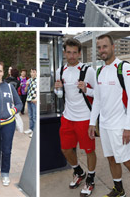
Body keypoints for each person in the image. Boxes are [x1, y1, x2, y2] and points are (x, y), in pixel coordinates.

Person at [89, 34, 130, 197]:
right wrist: (92, 122)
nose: (102, 50)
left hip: (121, 126)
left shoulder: (125, 68)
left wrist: (128, 127)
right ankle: (119, 189)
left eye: (105, 46)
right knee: (111, 159)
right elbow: (98, 99)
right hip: (105, 126)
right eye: (99, 47)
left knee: (129, 161)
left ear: (113, 47)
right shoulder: (99, 71)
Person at [54, 38, 97, 196]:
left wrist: (87, 90)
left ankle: (90, 178)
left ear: (79, 53)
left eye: (75, 53)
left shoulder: (88, 71)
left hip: (85, 117)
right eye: (68, 52)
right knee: (65, 149)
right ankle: (79, 172)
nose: (71, 56)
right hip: (67, 117)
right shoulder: (60, 71)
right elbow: (59, 95)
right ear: (64, 52)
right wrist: (57, 89)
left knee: (89, 150)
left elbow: (99, 93)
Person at [24, 68, 37, 138]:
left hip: (34, 101)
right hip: (29, 99)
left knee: (35, 116)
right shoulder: (29, 80)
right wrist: (26, 85)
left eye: (34, 72)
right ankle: (31, 128)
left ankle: (35, 131)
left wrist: (36, 99)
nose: (32, 73)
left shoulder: (38, 81)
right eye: (31, 72)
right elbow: (25, 91)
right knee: (30, 116)